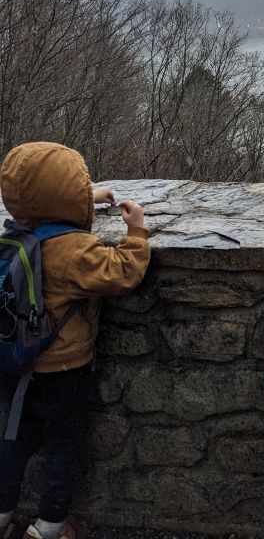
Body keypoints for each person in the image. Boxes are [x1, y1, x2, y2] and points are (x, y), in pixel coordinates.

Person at [0, 142, 151, 539]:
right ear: (67, 196)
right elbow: (121, 273)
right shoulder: (73, 250)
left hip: (18, 367)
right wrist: (136, 231)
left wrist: (91, 197)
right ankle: (49, 526)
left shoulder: (16, 233)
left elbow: (45, 201)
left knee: (14, 442)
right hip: (63, 370)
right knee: (63, 450)